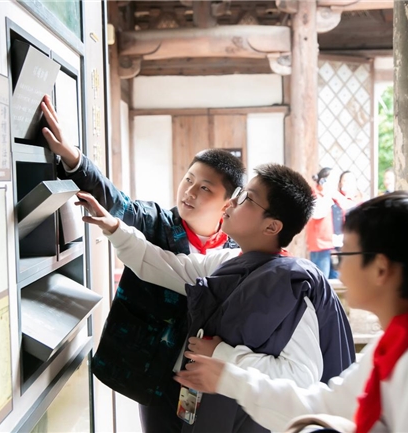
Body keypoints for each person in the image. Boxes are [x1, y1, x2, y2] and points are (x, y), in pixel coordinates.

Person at [172, 192, 408, 433]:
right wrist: (230, 379)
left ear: (380, 269)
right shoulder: (398, 345)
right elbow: (324, 405)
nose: (339, 267)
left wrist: (232, 376)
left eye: (346, 253)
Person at [77, 163, 355, 433]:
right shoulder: (228, 260)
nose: (231, 203)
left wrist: (221, 354)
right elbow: (164, 266)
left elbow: (300, 378)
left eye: (246, 199)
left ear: (272, 227)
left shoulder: (289, 287)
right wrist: (114, 228)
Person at [40, 95, 245, 433]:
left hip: (206, 375)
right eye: (188, 179)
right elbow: (117, 203)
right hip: (151, 367)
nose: (190, 192)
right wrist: (73, 157)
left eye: (205, 188)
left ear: (227, 204)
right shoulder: (156, 222)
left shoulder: (236, 250)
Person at [307, 168, 336, 278]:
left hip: (328, 243)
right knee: (322, 279)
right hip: (320, 244)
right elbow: (318, 213)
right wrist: (327, 194)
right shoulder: (315, 194)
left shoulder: (326, 195)